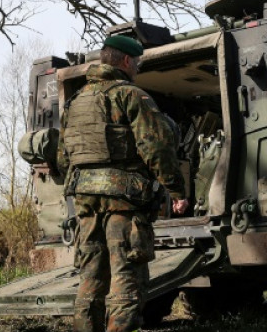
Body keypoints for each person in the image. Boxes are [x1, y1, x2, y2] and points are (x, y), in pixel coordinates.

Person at [57, 35, 189, 332]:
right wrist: (176, 191)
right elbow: (155, 146)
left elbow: (64, 158)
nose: (138, 69)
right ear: (127, 61)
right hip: (124, 204)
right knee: (126, 280)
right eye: (138, 63)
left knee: (90, 280)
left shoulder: (76, 102)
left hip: (86, 205)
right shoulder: (131, 95)